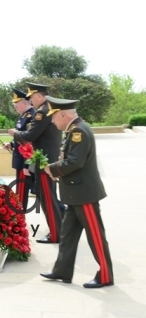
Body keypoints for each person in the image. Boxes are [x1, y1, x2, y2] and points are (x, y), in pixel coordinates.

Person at [40, 96, 114, 288]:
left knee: (95, 235)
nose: (53, 121)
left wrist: (53, 168)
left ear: (63, 114)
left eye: (54, 117)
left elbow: (75, 161)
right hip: (75, 194)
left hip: (84, 195)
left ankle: (105, 275)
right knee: (68, 235)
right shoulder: (74, 129)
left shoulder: (78, 131)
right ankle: (62, 271)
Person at [8, 82, 62, 244]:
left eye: (32, 97)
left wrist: (15, 133)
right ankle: (58, 229)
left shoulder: (42, 112)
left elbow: (30, 136)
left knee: (47, 197)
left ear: (39, 96)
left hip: (43, 161)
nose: (31, 100)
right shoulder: (48, 109)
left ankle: (55, 234)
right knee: (46, 195)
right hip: (47, 159)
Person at [2, 88, 34, 212]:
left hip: (24, 160)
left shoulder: (31, 116)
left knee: (21, 191)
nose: (15, 106)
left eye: (17, 103)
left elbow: (30, 141)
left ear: (24, 103)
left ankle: (19, 218)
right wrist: (11, 144)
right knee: (23, 190)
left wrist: (27, 163)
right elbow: (21, 137)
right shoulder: (23, 116)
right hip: (20, 158)